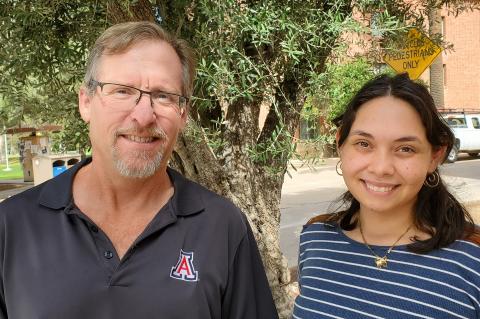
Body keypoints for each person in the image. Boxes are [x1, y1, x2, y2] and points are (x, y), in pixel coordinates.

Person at [0, 21, 279, 319]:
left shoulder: (221, 226)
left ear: (183, 114)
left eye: (163, 96)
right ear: (86, 102)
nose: (144, 116)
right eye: (121, 91)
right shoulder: (12, 227)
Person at [293, 73, 480, 318]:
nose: (381, 168)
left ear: (434, 156)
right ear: (341, 144)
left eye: (405, 149)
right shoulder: (315, 240)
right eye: (363, 144)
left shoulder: (472, 260)